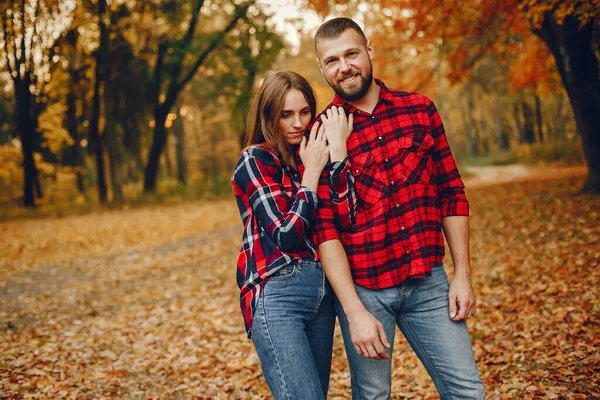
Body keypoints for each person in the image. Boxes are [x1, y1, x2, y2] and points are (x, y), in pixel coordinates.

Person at [311, 18, 486, 399]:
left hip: (429, 282)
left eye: (351, 53)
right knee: (373, 396)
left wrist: (462, 274)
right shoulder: (322, 133)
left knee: (468, 391)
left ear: (369, 50)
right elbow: (325, 231)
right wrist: (354, 312)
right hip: (366, 291)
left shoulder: (419, 109)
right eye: (332, 60)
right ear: (323, 68)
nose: (344, 67)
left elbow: (451, 192)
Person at [231, 70, 354, 399]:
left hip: (323, 294)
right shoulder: (254, 160)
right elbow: (286, 235)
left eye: (304, 112)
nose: (298, 123)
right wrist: (312, 173)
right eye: (286, 115)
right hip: (278, 292)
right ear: (269, 115)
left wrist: (337, 153)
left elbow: (345, 218)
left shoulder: (310, 153)